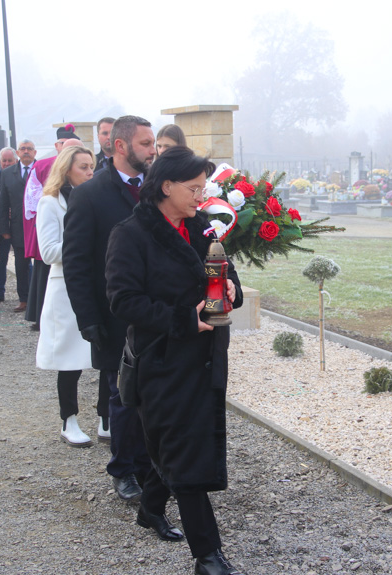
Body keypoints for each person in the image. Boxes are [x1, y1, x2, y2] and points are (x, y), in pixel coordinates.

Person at [105, 146, 245, 575]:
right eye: (193, 188)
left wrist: (233, 289)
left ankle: (149, 508)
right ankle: (208, 556)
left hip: (204, 358)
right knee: (185, 453)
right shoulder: (130, 234)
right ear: (166, 187)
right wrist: (184, 319)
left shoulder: (200, 225)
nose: (201, 197)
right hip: (162, 362)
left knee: (175, 445)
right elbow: (123, 301)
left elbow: (225, 272)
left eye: (204, 188)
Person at [63, 115, 156, 502]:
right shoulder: (89, 195)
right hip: (112, 314)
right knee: (121, 396)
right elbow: (77, 262)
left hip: (155, 311)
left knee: (154, 394)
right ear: (121, 147)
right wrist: (88, 319)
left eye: (154, 144)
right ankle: (124, 469)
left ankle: (152, 464)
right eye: (146, 144)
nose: (154, 151)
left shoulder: (156, 187)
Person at [35, 146, 96, 446]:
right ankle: (68, 419)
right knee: (69, 359)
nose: (89, 172)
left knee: (103, 355)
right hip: (65, 286)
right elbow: (47, 252)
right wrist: (85, 246)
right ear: (67, 169)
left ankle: (106, 418)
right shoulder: (50, 202)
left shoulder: (94, 199)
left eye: (91, 166)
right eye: (83, 167)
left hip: (96, 283)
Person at [24, 126, 80, 330]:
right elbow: (32, 202)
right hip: (54, 242)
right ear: (58, 146)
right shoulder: (41, 167)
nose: (90, 172)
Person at [0, 139, 36, 312]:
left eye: (29, 149)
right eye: (23, 149)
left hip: (39, 225)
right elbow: (3, 203)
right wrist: (4, 229)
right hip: (18, 226)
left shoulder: (43, 169)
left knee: (43, 264)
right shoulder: (7, 174)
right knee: (21, 264)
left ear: (35, 152)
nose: (26, 151)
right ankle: (24, 299)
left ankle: (40, 298)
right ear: (17, 153)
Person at [0, 147, 18, 303]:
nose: (7, 164)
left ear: (16, 161)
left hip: (18, 223)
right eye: (4, 161)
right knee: (0, 260)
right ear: (0, 162)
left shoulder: (22, 176)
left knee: (24, 260)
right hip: (1, 225)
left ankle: (27, 293)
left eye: (10, 161)